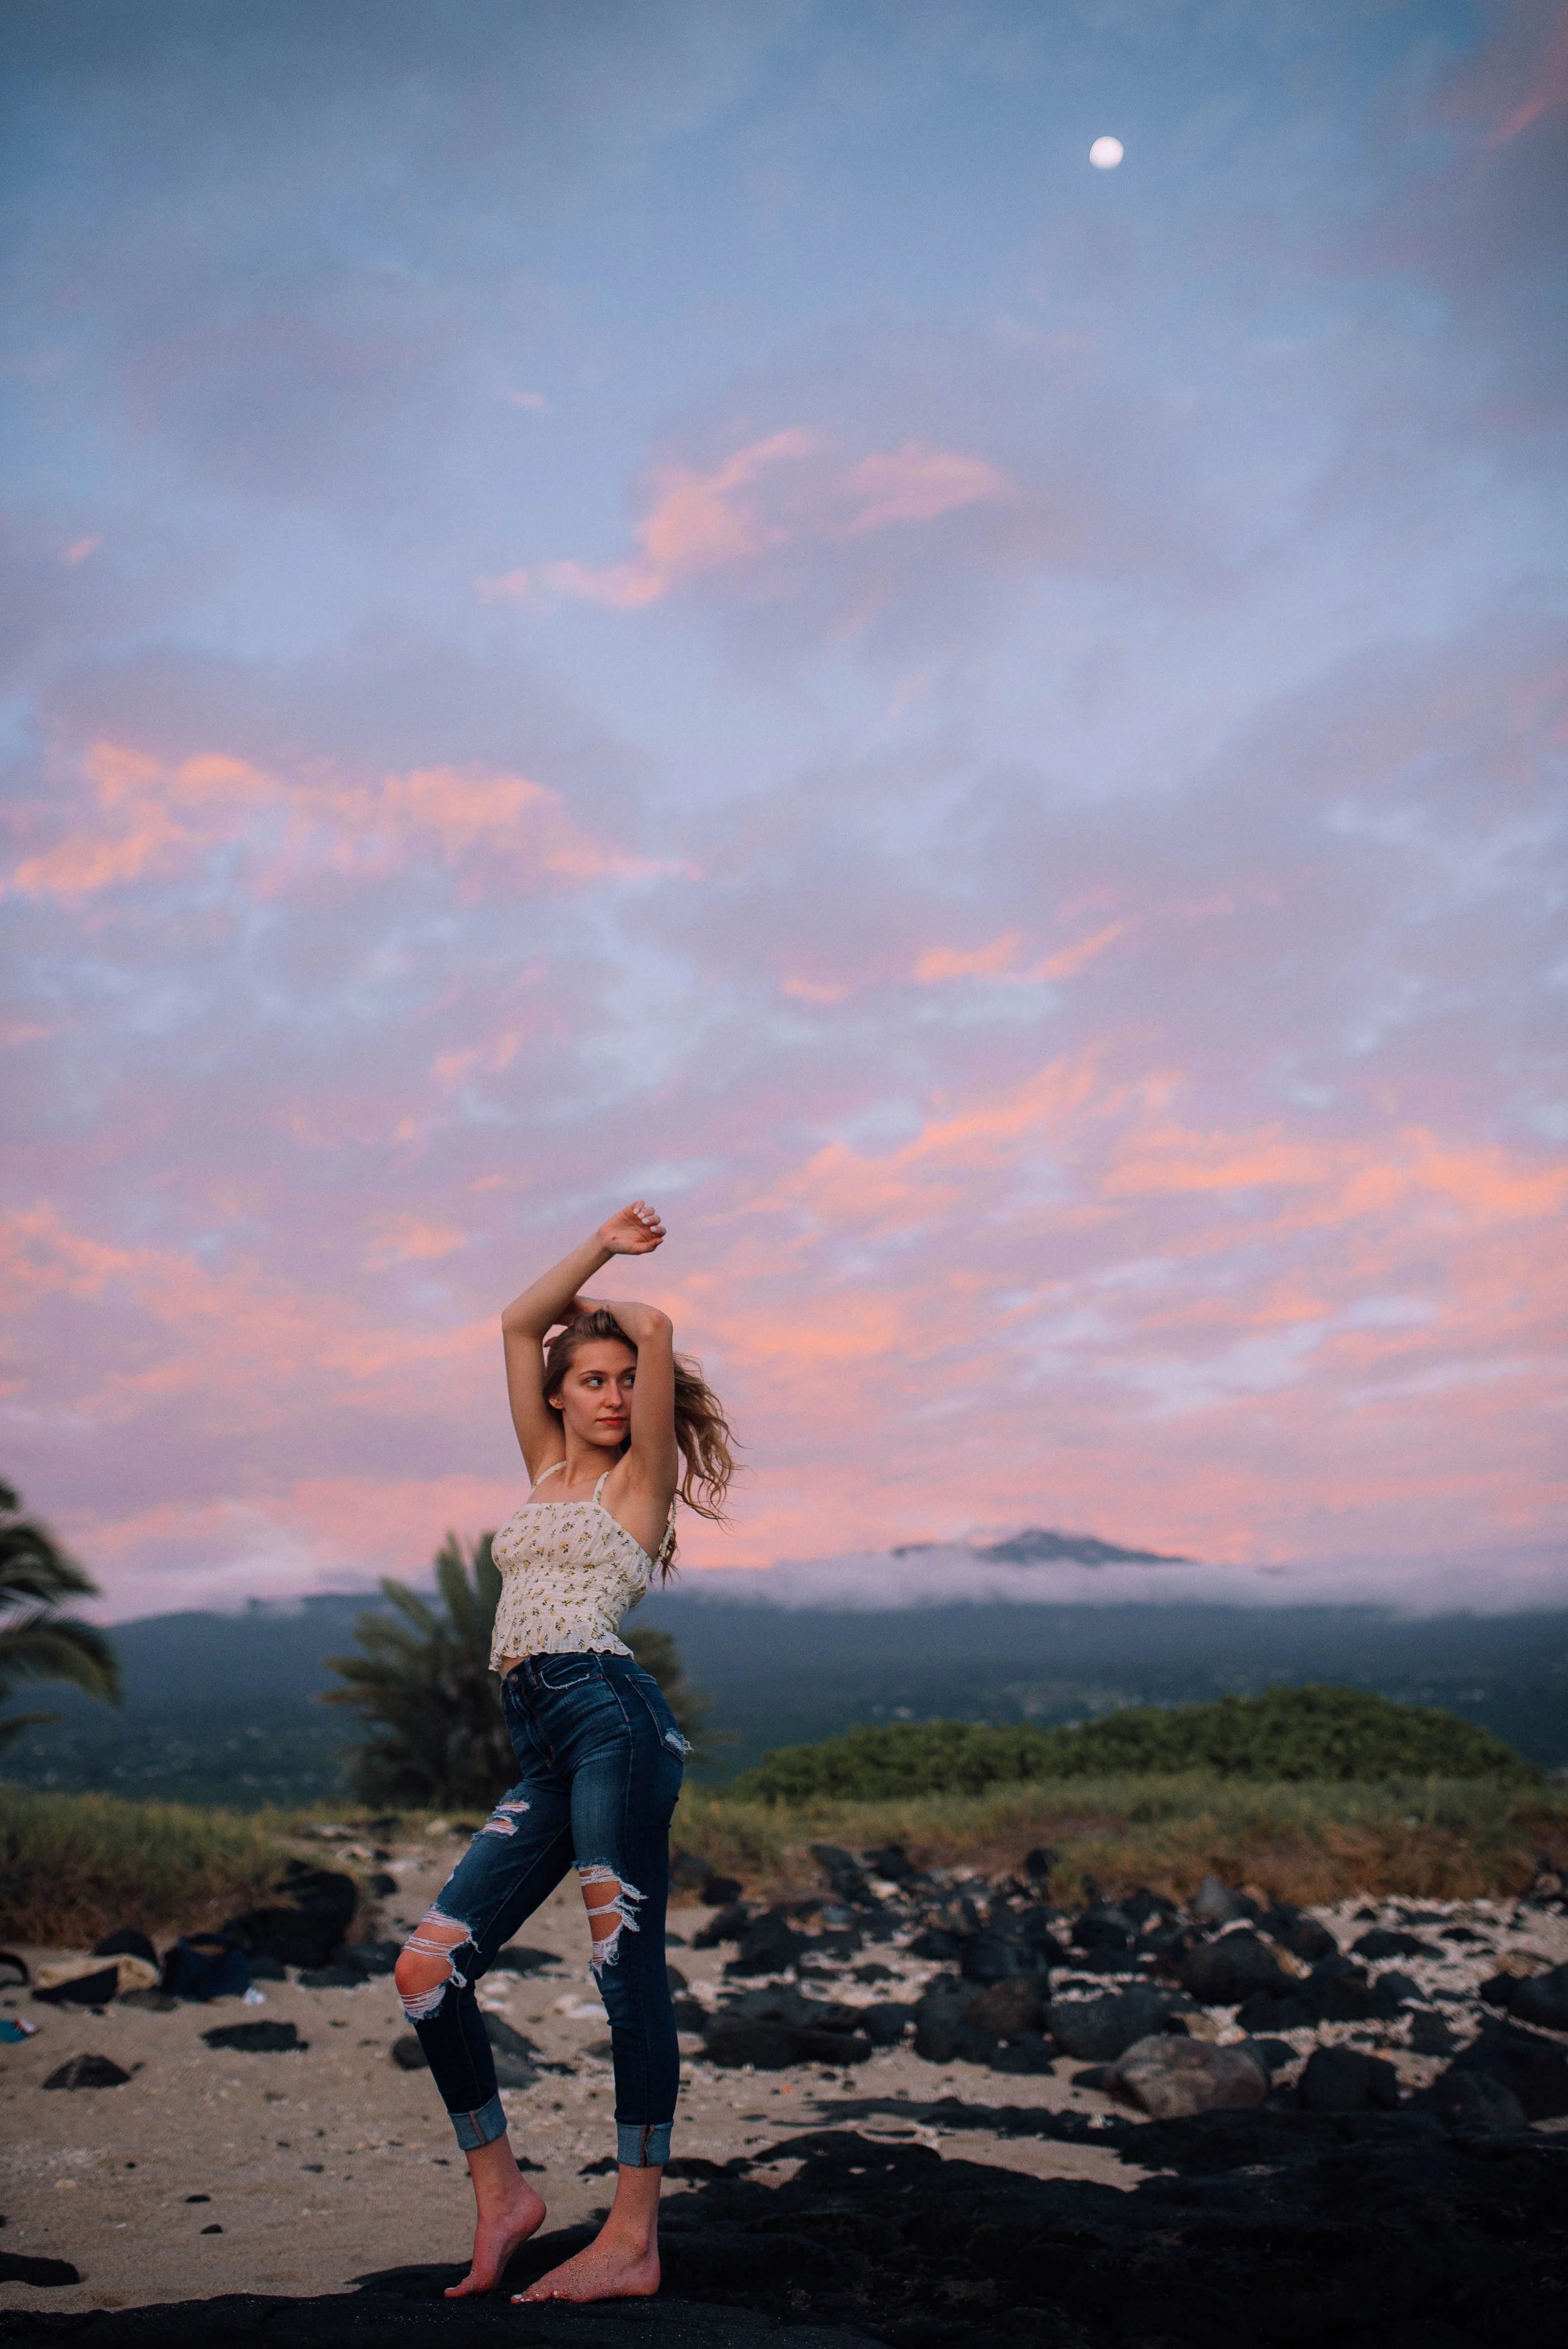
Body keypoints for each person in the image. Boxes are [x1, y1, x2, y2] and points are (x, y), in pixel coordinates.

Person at [391, 1200, 734, 2303]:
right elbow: (511, 1321)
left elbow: (660, 1326)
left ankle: (632, 2240)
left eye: (626, 1382)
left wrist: (623, 1312)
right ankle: (505, 2197)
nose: (614, 1395)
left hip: (611, 1721)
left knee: (621, 1974)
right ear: (555, 1397)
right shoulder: (545, 1468)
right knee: (427, 1971)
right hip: (539, 1740)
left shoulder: (640, 1478)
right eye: (591, 1379)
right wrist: (595, 1249)